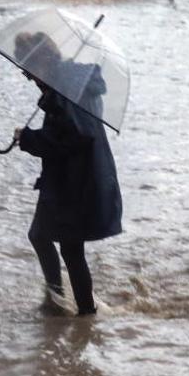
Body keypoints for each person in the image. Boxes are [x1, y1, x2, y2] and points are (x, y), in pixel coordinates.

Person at [12, 32, 122, 316]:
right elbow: (69, 133)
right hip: (71, 179)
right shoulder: (67, 84)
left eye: (27, 68)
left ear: (42, 61)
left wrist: (28, 139)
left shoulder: (66, 89)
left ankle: (78, 310)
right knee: (46, 237)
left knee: (67, 248)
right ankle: (63, 303)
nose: (27, 76)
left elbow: (75, 135)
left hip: (77, 183)